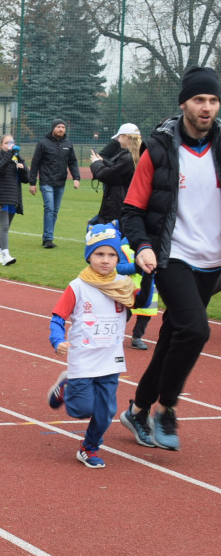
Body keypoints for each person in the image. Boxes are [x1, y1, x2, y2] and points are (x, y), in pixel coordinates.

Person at [119, 66, 221, 452]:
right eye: (199, 99)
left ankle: (139, 409)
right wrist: (143, 246)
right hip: (173, 257)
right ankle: (167, 408)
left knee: (174, 337)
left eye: (213, 99)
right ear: (184, 104)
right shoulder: (159, 149)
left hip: (213, 264)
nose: (207, 107)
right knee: (196, 330)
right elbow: (131, 210)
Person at [47, 223, 138, 468]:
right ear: (89, 256)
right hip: (83, 358)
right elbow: (58, 317)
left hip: (110, 358)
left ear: (118, 257)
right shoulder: (78, 287)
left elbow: (139, 301)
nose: (105, 260)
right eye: (99, 254)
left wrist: (149, 273)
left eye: (111, 255)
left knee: (106, 412)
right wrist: (57, 340)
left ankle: (89, 447)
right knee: (81, 410)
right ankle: (66, 388)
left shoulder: (123, 284)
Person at [29, 119, 81, 248]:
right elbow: (35, 163)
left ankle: (48, 237)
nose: (61, 129)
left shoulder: (68, 144)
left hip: (60, 182)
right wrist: (32, 182)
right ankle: (48, 238)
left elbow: (73, 162)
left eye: (63, 127)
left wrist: (76, 177)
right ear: (53, 128)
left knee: (55, 211)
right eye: (59, 127)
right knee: (49, 208)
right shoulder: (43, 143)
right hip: (46, 181)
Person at [90, 123, 141, 225]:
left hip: (118, 200)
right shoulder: (137, 154)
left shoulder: (128, 157)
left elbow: (106, 175)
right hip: (127, 197)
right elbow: (117, 169)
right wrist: (103, 161)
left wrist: (96, 163)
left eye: (119, 137)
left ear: (126, 137)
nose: (117, 140)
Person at [0, 134, 29, 265]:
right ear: (1, 145)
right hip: (2, 197)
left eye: (11, 142)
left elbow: (27, 179)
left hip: (13, 197)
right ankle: (5, 255)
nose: (9, 145)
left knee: (5, 228)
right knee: (4, 226)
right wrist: (10, 154)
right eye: (6, 143)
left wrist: (22, 167)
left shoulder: (16, 158)